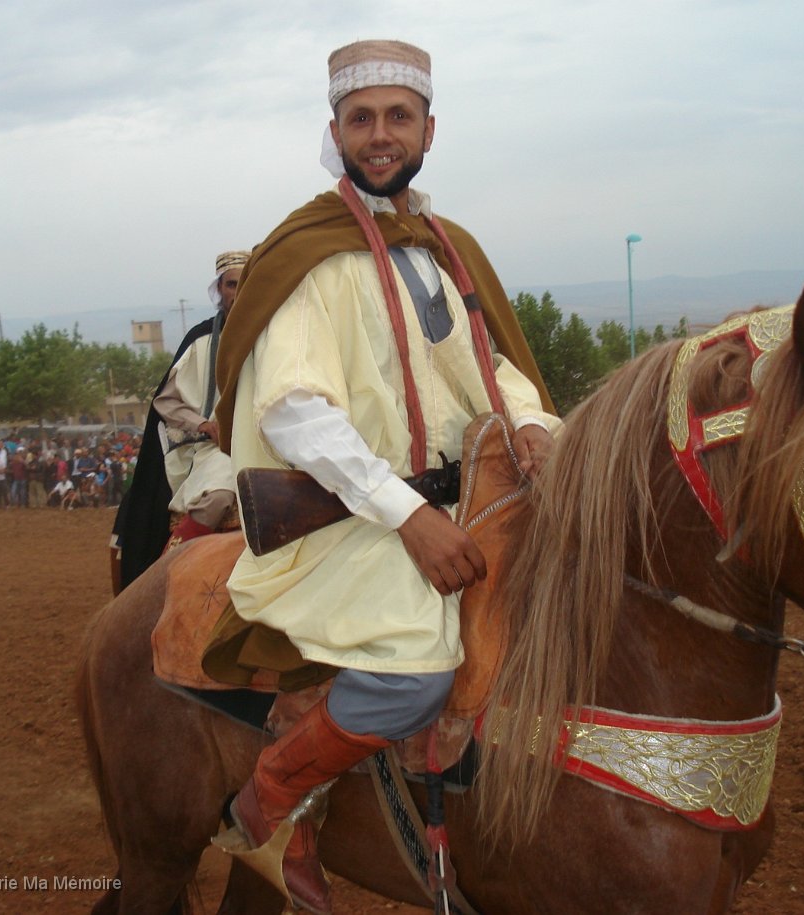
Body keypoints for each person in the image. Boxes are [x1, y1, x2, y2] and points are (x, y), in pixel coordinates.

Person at [210, 39, 559, 911]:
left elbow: (493, 368)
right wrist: (406, 514)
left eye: (397, 117)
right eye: (360, 119)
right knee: (417, 672)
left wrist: (530, 425)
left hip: (473, 503)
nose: (379, 135)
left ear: (429, 130)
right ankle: (271, 803)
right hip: (354, 520)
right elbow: (292, 408)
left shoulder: (449, 248)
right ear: (334, 131)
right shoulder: (307, 252)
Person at [110, 250, 249, 592]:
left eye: (246, 283)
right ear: (220, 289)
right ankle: (166, 570)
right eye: (232, 284)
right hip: (216, 450)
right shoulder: (200, 340)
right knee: (218, 497)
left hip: (269, 445)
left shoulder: (275, 334)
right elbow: (166, 401)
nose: (239, 291)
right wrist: (205, 425)